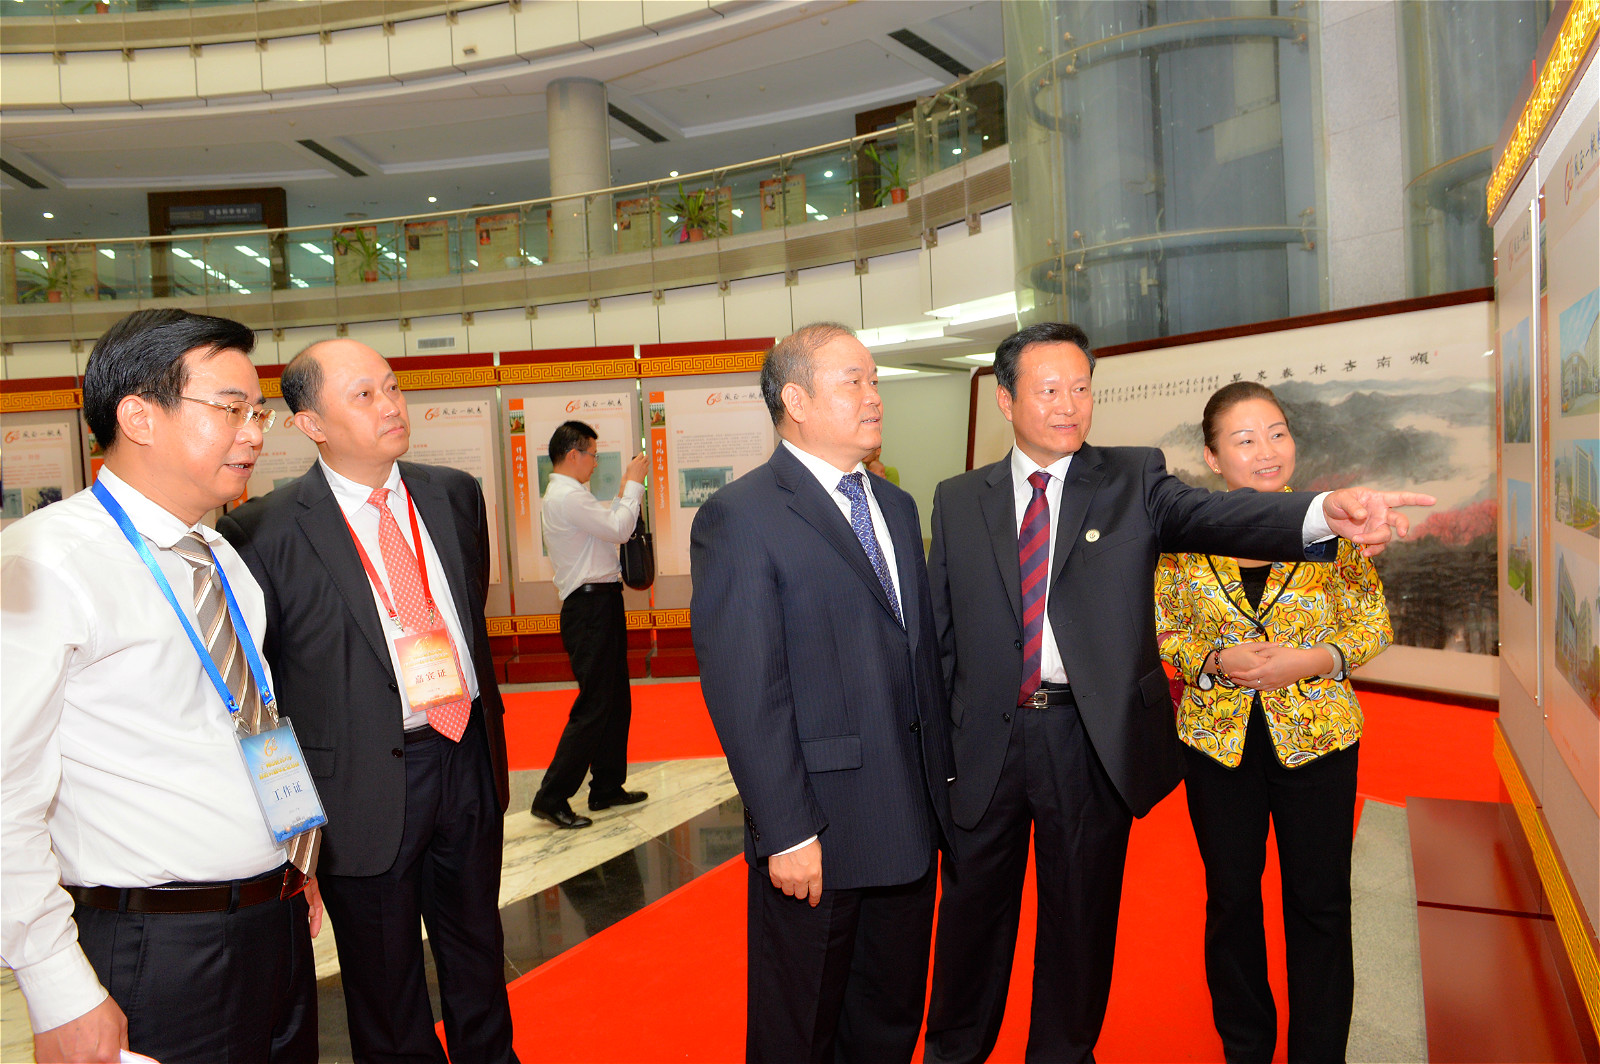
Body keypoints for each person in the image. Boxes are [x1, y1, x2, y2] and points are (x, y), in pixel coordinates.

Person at [923, 322, 1431, 1064]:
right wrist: (936, 759)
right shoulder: (958, 499)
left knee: (1079, 929)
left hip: (1084, 740)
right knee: (971, 924)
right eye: (1049, 389)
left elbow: (1217, 514)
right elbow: (940, 640)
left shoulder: (1132, 478)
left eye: (1081, 388)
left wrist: (1322, 513)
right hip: (986, 747)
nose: (1069, 404)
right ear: (1005, 400)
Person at [2, 308, 321, 1064]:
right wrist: (58, 989)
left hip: (274, 921)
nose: (254, 433)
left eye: (258, 412)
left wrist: (296, 855)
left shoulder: (220, 556)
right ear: (139, 417)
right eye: (230, 409)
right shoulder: (45, 561)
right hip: (158, 948)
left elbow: (248, 718)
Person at [217, 339, 517, 1064]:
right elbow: (260, 701)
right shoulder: (263, 531)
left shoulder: (454, 494)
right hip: (358, 784)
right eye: (363, 395)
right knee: (385, 986)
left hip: (465, 754)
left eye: (392, 387)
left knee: (479, 954)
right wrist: (294, 832)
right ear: (310, 424)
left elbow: (465, 616)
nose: (390, 406)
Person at [690, 322, 957, 1064]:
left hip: (909, 824)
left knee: (887, 1025)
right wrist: (785, 831)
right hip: (819, 832)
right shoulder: (741, 516)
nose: (874, 397)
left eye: (875, 381)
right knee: (800, 1032)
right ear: (797, 401)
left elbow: (917, 660)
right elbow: (748, 691)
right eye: (853, 382)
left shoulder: (895, 506)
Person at [1155, 382, 1390, 1063]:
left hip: (1318, 740)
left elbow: (1372, 625)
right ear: (1212, 456)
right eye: (1245, 438)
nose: (1267, 450)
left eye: (1278, 432)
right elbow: (1163, 629)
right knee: (1232, 901)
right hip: (1217, 744)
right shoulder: (1181, 538)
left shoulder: (1332, 526)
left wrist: (1312, 660)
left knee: (1320, 903)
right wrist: (1212, 660)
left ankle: (1319, 1051)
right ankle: (1247, 1046)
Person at [532, 421, 651, 828]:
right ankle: (551, 796)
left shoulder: (573, 495)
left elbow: (610, 524)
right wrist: (633, 485)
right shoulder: (566, 496)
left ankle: (606, 786)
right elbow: (620, 527)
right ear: (573, 455)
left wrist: (624, 495)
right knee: (595, 704)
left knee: (615, 699)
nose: (595, 463)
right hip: (589, 610)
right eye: (593, 455)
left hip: (601, 604)